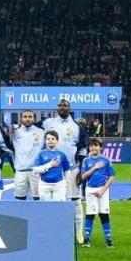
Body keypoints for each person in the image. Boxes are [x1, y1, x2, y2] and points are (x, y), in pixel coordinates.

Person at [42, 100, 87, 242]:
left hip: (72, 168)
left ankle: (79, 233)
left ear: (69, 108)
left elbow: (83, 146)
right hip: (52, 169)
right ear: (56, 108)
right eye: (60, 105)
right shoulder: (47, 123)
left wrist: (80, 168)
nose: (62, 108)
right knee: (54, 202)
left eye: (65, 105)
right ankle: (56, 232)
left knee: (75, 199)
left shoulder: (77, 126)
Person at [81, 138, 115, 248]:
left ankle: (108, 239)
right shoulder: (86, 160)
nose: (93, 148)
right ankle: (87, 239)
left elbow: (111, 177)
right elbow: (83, 176)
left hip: (103, 190)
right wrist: (94, 168)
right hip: (90, 189)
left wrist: (102, 190)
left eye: (95, 145)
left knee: (104, 214)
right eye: (91, 146)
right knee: (90, 214)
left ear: (100, 147)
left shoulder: (106, 160)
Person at [9, 110, 45, 200]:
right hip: (20, 170)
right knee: (19, 199)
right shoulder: (15, 132)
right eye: (25, 117)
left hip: (36, 171)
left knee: (38, 199)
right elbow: (9, 144)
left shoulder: (41, 132)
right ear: (21, 119)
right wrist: (10, 133)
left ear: (34, 119)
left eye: (30, 117)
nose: (27, 119)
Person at [33, 130, 70, 201]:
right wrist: (50, 165)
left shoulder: (62, 154)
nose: (50, 141)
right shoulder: (41, 153)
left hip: (59, 185)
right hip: (44, 185)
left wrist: (66, 183)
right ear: (45, 141)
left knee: (58, 208)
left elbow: (67, 170)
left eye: (53, 139)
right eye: (48, 139)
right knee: (46, 209)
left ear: (57, 141)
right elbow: (35, 170)